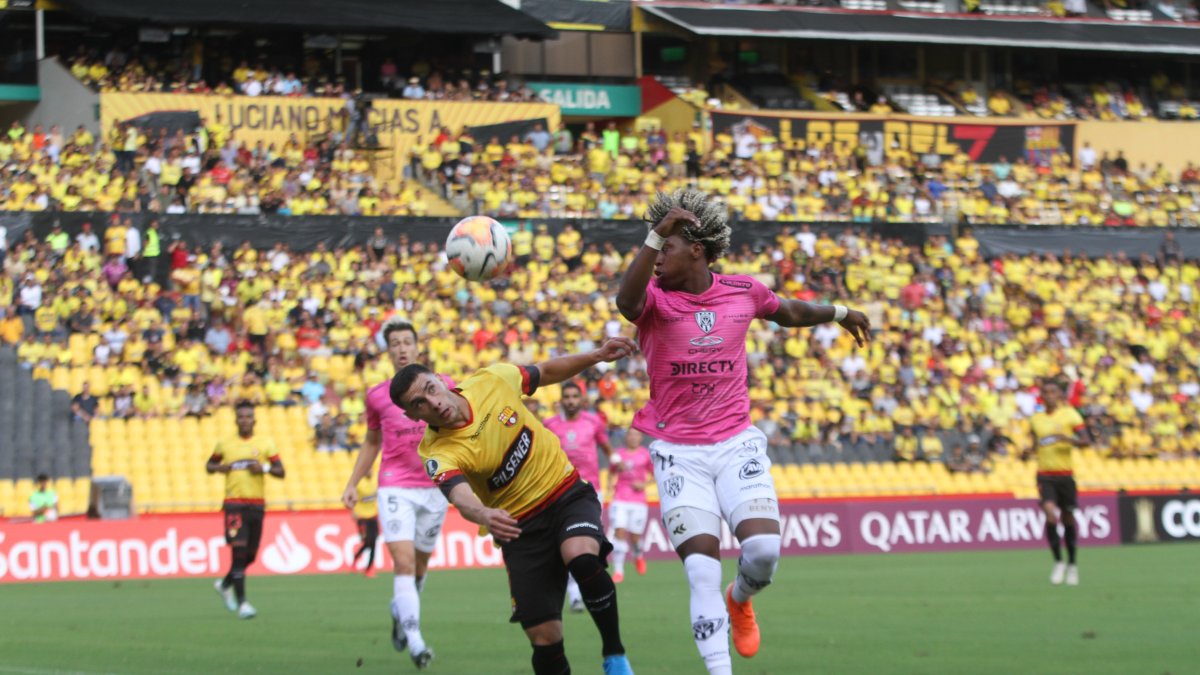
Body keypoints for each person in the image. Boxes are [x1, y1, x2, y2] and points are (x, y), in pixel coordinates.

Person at [615, 188, 870, 674]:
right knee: (700, 571)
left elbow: (791, 313)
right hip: (678, 453)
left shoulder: (743, 291)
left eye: (666, 248)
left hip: (735, 444)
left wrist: (840, 313)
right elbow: (625, 302)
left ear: (696, 249)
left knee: (763, 551)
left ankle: (742, 598)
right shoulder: (651, 300)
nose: (656, 259)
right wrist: (654, 233)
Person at [388, 337, 638, 675]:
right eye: (419, 404)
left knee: (581, 556)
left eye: (431, 389)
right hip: (517, 526)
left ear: (439, 378)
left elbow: (546, 371)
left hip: (565, 493)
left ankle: (615, 655)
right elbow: (459, 494)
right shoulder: (435, 451)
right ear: (411, 415)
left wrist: (596, 355)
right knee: (544, 638)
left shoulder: (491, 380)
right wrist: (483, 513)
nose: (432, 403)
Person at [341, 317, 447, 669]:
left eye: (407, 342)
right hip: (395, 487)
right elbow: (372, 442)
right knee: (402, 563)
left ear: (418, 347)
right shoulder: (377, 395)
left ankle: (399, 611)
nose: (402, 348)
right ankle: (417, 643)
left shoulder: (445, 386)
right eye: (395, 344)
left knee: (418, 568)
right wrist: (353, 482)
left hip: (435, 487)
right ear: (388, 352)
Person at [206, 401, 285, 619]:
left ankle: (224, 584)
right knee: (238, 552)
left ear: (254, 420)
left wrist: (265, 468)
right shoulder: (225, 444)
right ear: (235, 420)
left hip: (257, 505)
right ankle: (243, 604)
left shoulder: (266, 443)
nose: (244, 420)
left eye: (248, 416)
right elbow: (209, 465)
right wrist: (220, 467)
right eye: (241, 416)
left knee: (250, 556)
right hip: (234, 505)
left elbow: (281, 471)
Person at [543, 380, 614, 612]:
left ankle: (584, 588)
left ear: (581, 400)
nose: (571, 401)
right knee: (564, 540)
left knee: (591, 540)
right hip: (561, 489)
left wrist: (616, 462)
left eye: (575, 396)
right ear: (561, 400)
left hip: (591, 490)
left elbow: (606, 448)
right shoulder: (550, 424)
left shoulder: (593, 422)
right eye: (567, 397)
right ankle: (574, 592)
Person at [1025, 378, 1088, 586]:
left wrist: (1067, 439)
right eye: (1046, 392)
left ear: (1059, 395)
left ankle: (1072, 564)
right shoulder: (1036, 419)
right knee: (1051, 515)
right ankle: (1058, 561)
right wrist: (1028, 450)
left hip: (1065, 475)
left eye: (1053, 392)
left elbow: (1086, 441)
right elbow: (1035, 443)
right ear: (1042, 396)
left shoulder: (1070, 414)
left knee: (1068, 518)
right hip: (1045, 475)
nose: (1049, 396)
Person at [606, 429, 652, 582]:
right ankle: (618, 570)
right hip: (620, 498)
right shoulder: (618, 454)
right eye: (630, 435)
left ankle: (638, 554)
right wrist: (609, 484)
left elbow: (656, 474)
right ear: (626, 437)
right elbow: (611, 471)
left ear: (641, 437)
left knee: (635, 537)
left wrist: (644, 484)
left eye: (636, 435)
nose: (633, 438)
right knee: (619, 531)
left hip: (638, 501)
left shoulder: (645, 454)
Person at [351, 471, 380, 578]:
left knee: (374, 543)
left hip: (373, 516)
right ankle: (356, 557)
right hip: (362, 516)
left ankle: (369, 569)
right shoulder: (359, 484)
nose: (370, 472)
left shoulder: (375, 482)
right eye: (368, 469)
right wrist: (353, 511)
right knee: (367, 542)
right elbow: (352, 498)